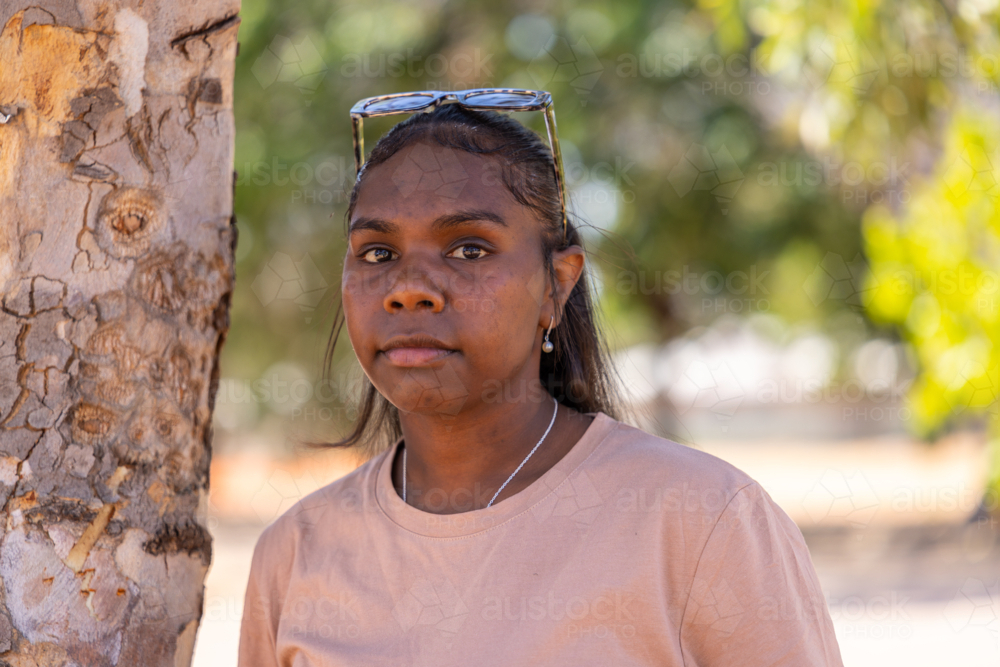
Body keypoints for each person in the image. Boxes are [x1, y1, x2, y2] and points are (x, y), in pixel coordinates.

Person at [237, 94, 845, 666]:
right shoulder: (295, 555)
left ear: (557, 284)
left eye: (469, 249)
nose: (408, 288)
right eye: (376, 252)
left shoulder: (701, 521)